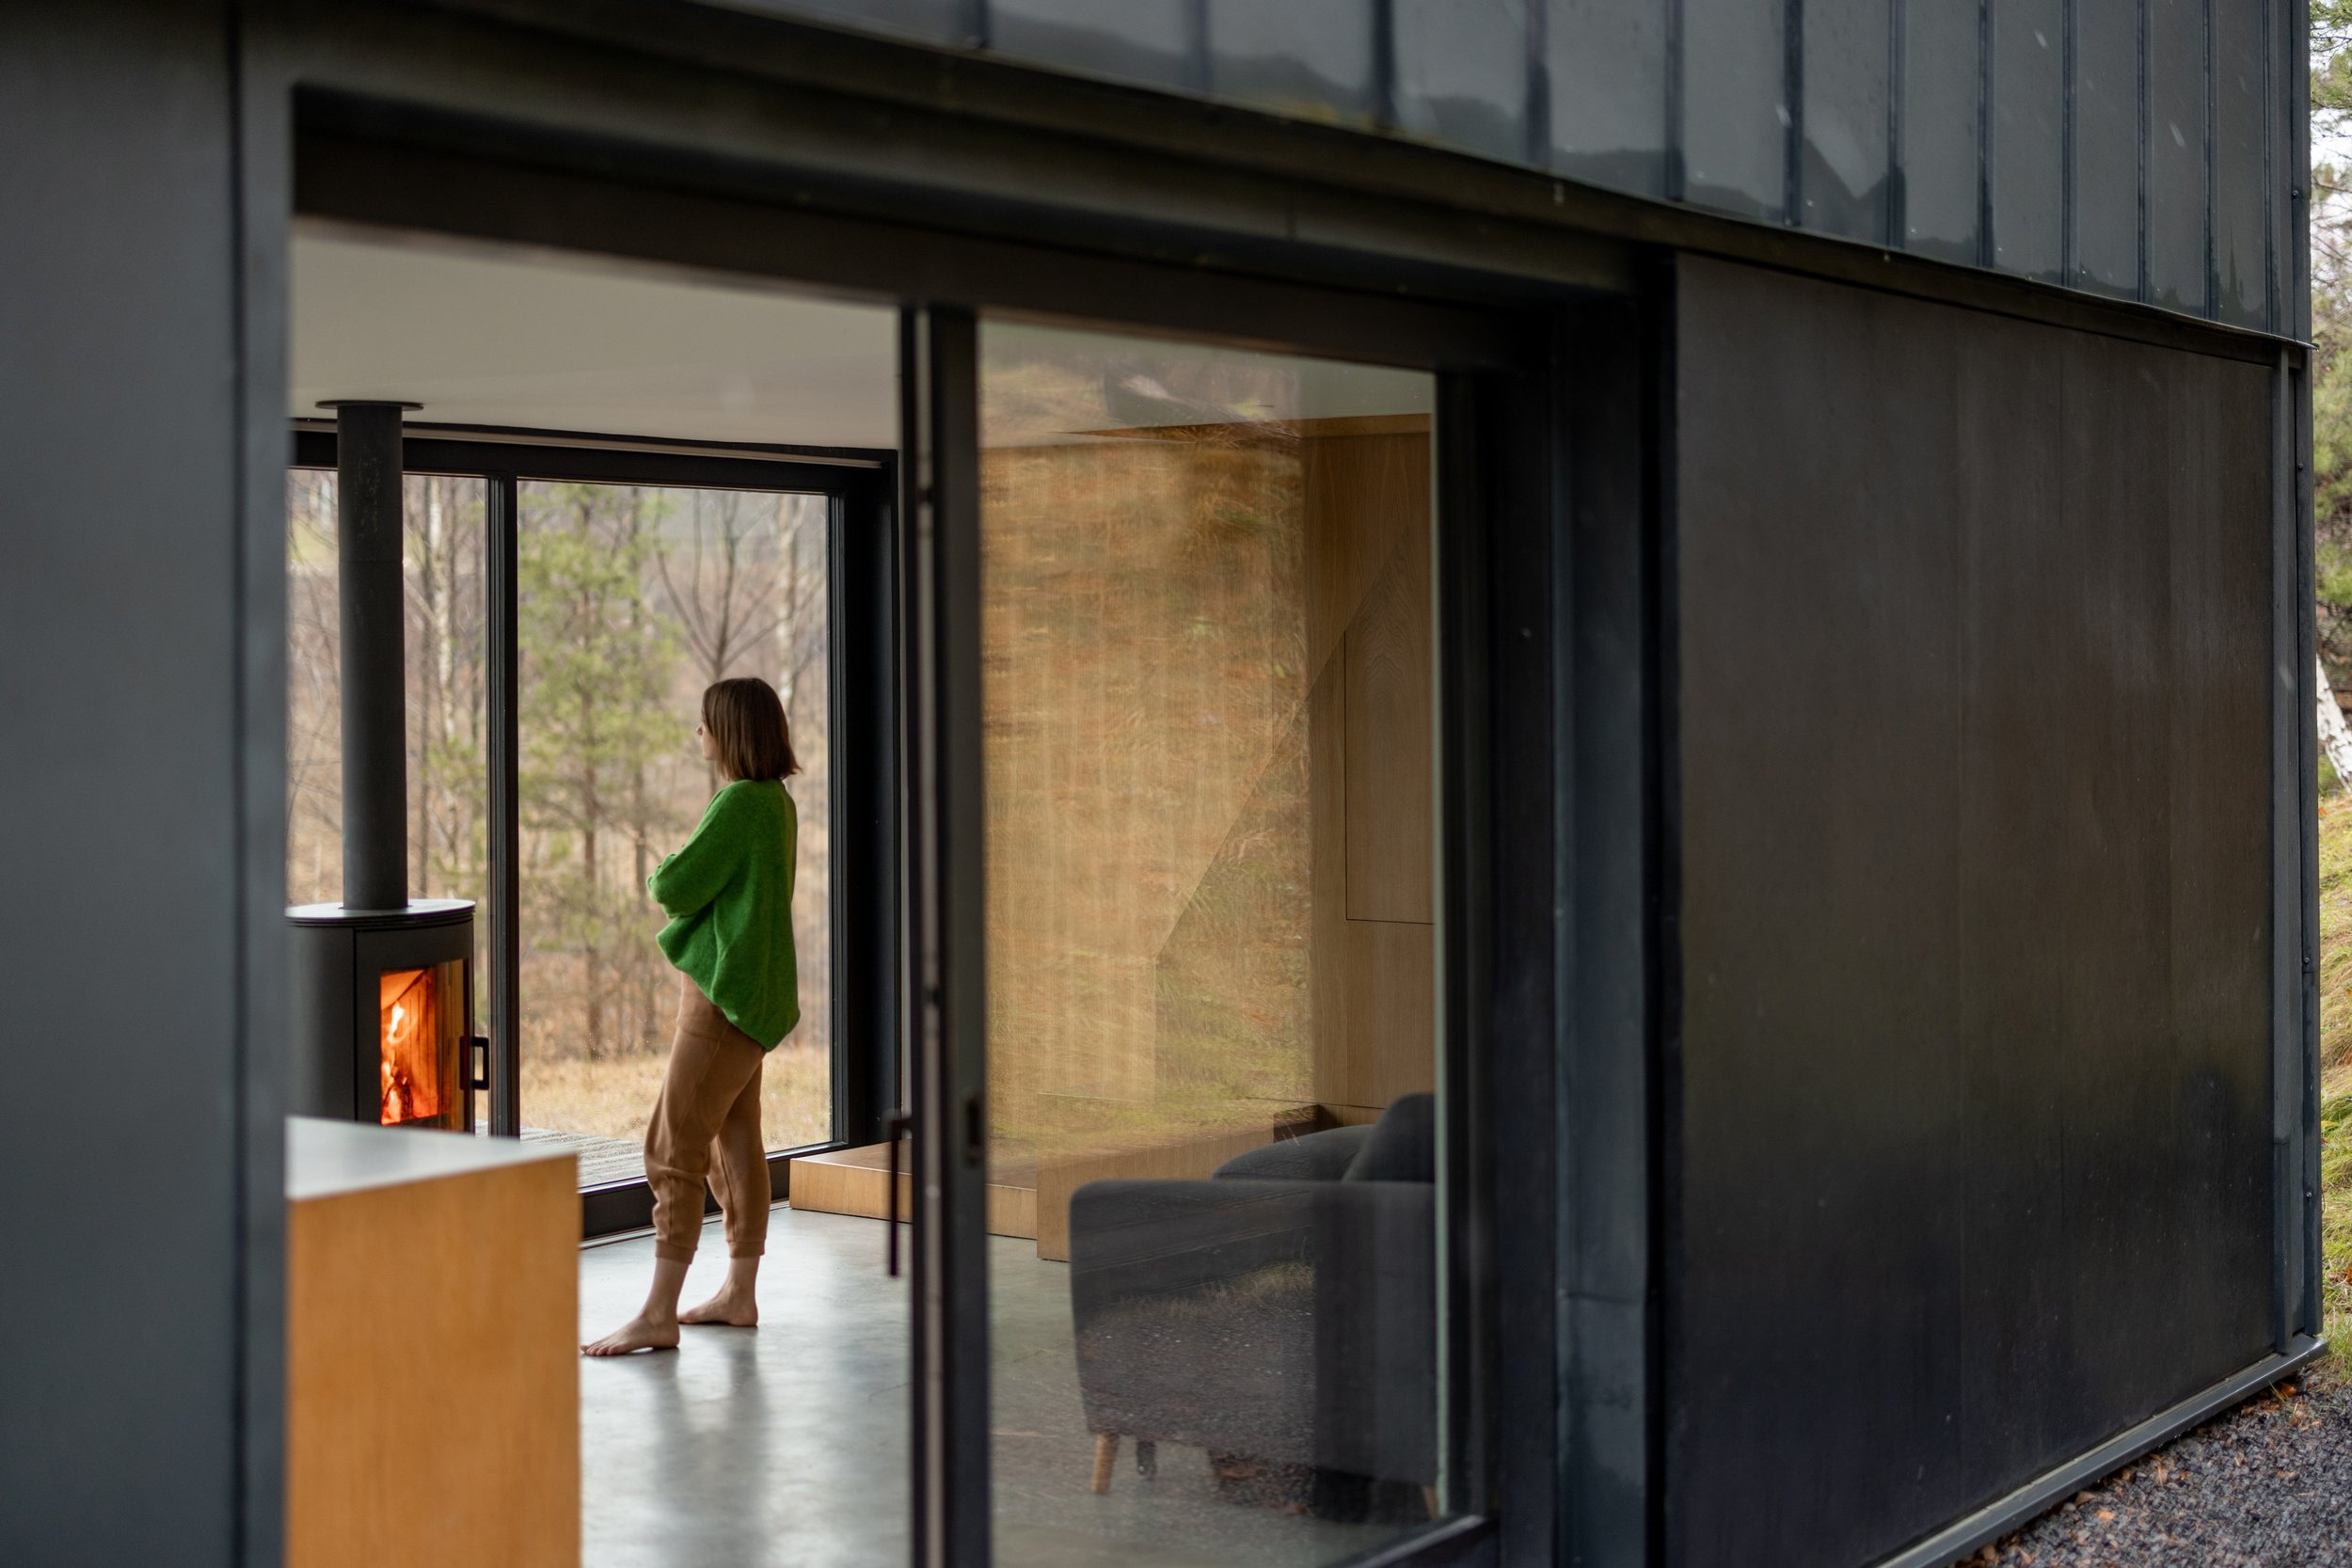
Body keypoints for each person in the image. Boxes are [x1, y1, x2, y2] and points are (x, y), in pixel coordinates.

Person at [582, 675, 802, 1356]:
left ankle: (657, 1311)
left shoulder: (737, 803)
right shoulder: (777, 803)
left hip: (721, 1000)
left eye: (704, 724)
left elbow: (673, 887)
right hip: (757, 1000)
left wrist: (664, 867)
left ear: (729, 731)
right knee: (735, 1143)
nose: (696, 734)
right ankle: (739, 1292)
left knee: (670, 1147)